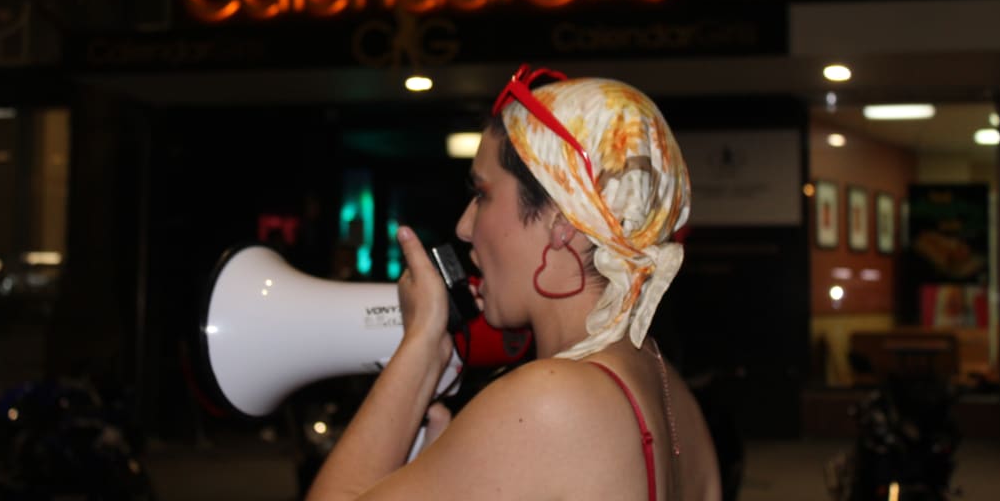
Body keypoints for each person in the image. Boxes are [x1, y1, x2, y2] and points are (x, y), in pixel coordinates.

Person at [305, 65, 721, 501]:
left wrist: (421, 350)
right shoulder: (672, 392)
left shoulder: (549, 401)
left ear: (561, 221)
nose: (464, 226)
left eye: (483, 194)